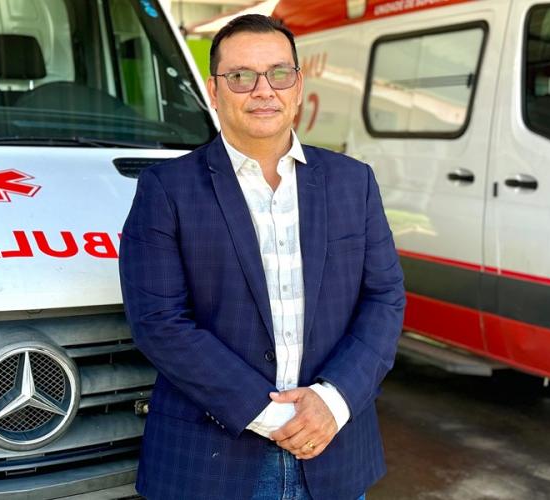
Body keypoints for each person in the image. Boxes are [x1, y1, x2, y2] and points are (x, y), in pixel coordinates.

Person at [119, 14, 405, 500]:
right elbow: (158, 321)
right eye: (241, 76)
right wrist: (275, 416)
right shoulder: (165, 188)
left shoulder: (353, 182)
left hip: (333, 451)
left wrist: (333, 401)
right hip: (210, 463)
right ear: (214, 91)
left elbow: (384, 298)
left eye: (279, 73)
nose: (263, 90)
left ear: (298, 85)